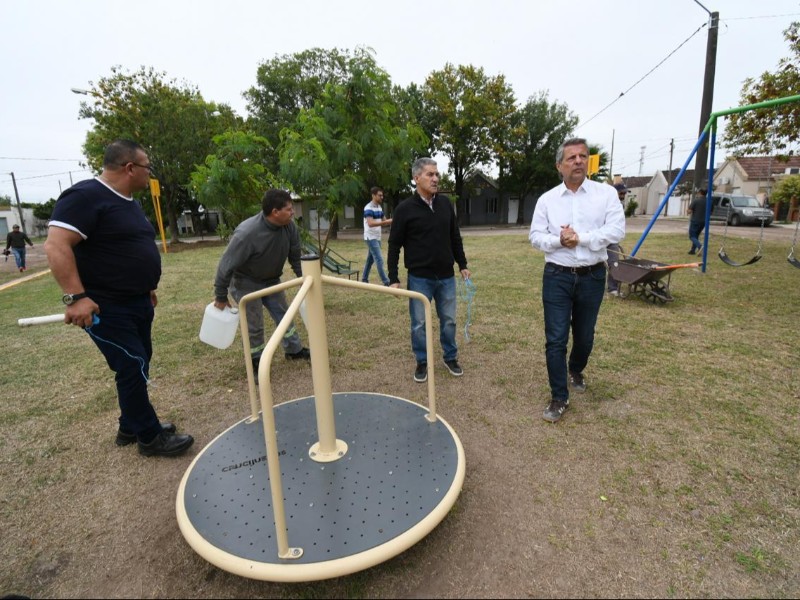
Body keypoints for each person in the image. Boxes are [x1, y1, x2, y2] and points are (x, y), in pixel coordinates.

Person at [44, 139, 194, 456]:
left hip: (137, 301)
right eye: (147, 167)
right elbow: (56, 245)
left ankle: (130, 425)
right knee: (132, 363)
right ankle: (149, 437)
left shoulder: (128, 203)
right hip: (106, 306)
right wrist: (76, 298)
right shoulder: (85, 196)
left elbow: (126, 246)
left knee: (140, 361)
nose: (150, 173)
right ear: (130, 168)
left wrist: (146, 286)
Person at [529, 138, 625, 423]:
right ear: (559, 166)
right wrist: (559, 240)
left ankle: (575, 368)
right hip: (556, 276)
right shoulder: (547, 200)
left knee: (584, 336)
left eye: (583, 156)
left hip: (592, 275)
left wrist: (580, 238)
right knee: (555, 339)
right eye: (571, 158)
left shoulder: (605, 194)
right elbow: (535, 237)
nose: (579, 161)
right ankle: (559, 396)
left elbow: (616, 231)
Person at [387, 157, 471, 383]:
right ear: (416, 178)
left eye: (437, 174)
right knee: (419, 324)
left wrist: (462, 264)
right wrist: (393, 277)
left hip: (446, 276)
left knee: (449, 320)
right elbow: (394, 245)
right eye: (430, 174)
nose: (435, 179)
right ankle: (422, 361)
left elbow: (455, 236)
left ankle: (450, 357)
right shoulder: (404, 209)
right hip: (419, 278)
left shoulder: (445, 204)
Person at [212, 189, 310, 371]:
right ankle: (256, 362)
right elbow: (226, 264)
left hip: (271, 280)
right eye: (289, 209)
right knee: (254, 325)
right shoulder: (247, 233)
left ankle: (294, 350)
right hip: (246, 283)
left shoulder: (289, 227)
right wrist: (220, 295)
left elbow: (296, 257)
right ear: (275, 212)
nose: (293, 212)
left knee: (284, 315)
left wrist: (305, 281)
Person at [361, 186, 392, 285]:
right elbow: (370, 223)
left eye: (382, 195)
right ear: (373, 195)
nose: (382, 197)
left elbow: (385, 221)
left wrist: (395, 220)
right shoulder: (368, 208)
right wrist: (386, 222)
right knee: (379, 259)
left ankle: (364, 279)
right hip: (370, 237)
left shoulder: (379, 207)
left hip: (377, 237)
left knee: (370, 260)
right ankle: (386, 282)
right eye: (379, 195)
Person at [606, 184, 627, 296]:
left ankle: (613, 288)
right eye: (621, 193)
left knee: (614, 263)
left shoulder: (620, 205)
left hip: (612, 239)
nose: (623, 195)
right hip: (601, 237)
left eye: (624, 193)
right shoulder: (604, 203)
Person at [687, 188, 707, 254]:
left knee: (692, 236)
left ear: (700, 192)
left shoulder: (696, 200)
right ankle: (693, 250)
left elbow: (689, 211)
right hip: (703, 222)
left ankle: (700, 246)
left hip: (695, 221)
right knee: (696, 236)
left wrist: (689, 210)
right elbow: (711, 211)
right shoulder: (709, 201)